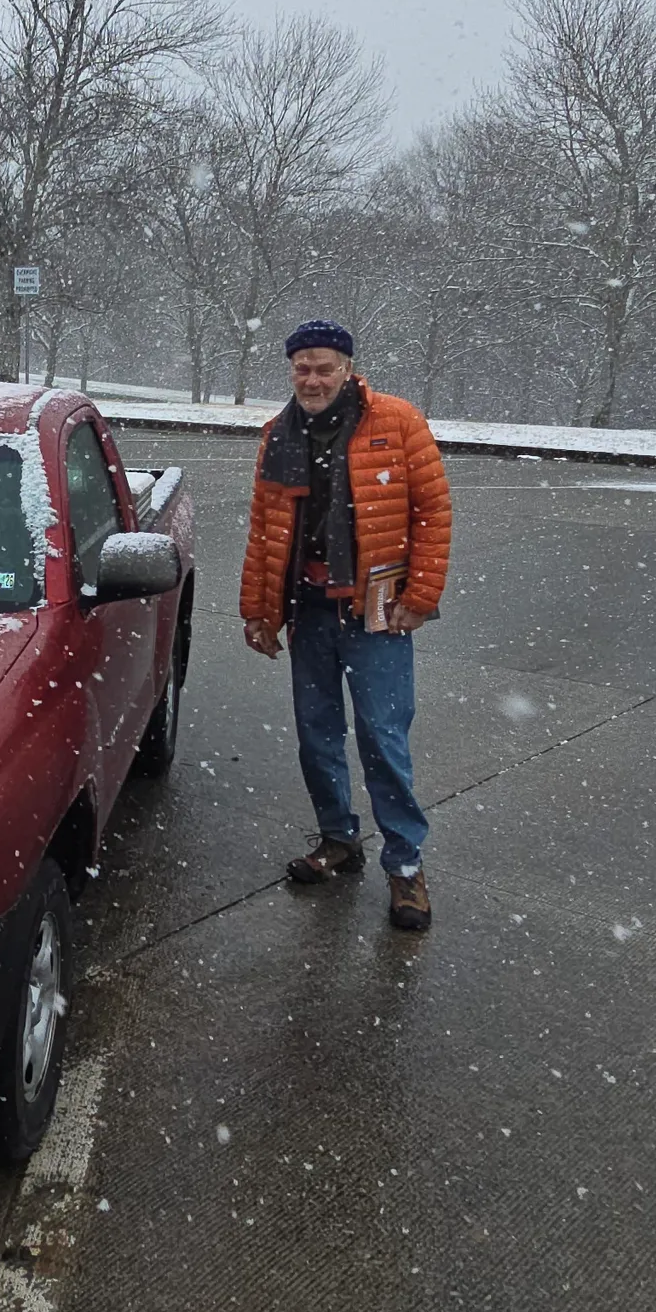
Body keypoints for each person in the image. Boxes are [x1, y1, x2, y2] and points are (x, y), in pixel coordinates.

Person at [238, 320, 452, 932]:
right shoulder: (277, 433)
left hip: (377, 612)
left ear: (348, 368)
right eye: (302, 367)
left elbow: (433, 512)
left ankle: (405, 866)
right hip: (308, 610)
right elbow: (266, 530)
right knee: (317, 735)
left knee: (384, 739)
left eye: (323, 367)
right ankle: (339, 838)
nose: (311, 379)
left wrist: (421, 594)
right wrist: (258, 610)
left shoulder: (396, 421)